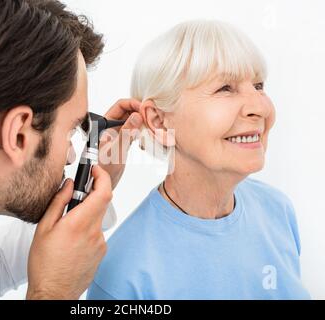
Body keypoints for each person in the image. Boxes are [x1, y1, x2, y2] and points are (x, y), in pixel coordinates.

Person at [0, 0, 143, 299]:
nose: (72, 155)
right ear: (19, 134)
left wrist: (88, 194)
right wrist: (52, 293)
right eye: (71, 131)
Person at [87, 20, 311, 300]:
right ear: (158, 121)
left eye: (259, 85)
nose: (260, 107)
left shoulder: (278, 212)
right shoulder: (122, 275)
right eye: (225, 88)